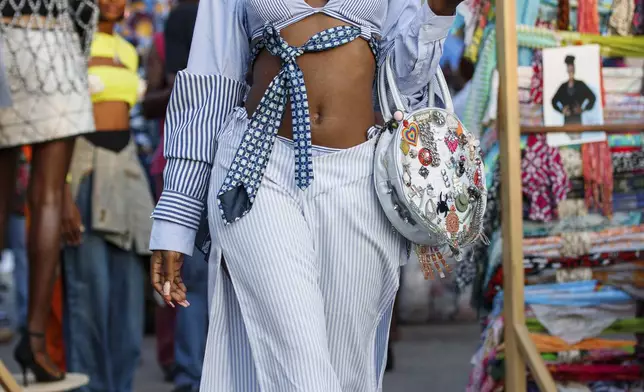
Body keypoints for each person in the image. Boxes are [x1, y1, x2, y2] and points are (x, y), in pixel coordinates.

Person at [150, 0, 460, 390]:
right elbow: (210, 80)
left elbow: (403, 81)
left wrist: (439, 9)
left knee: (345, 372)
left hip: (360, 178)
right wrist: (175, 217)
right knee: (304, 373)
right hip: (258, 173)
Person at [0, 0, 97, 383]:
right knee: (49, 197)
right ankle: (35, 341)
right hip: (53, 39)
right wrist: (79, 51)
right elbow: (84, 8)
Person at [59, 0, 153, 390]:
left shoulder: (130, 51)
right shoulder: (71, 43)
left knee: (128, 308)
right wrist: (63, 192)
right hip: (84, 168)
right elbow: (61, 120)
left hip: (128, 170)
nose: (112, 1)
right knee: (88, 302)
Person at [145, 2, 209, 390]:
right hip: (199, 155)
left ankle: (193, 375)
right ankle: (191, 375)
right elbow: (180, 92)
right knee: (196, 280)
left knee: (196, 279)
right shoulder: (189, 15)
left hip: (198, 155)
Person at [551, 55, 597, 125]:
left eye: (572, 66)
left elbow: (592, 97)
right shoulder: (563, 87)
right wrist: (562, 111)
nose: (571, 69)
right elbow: (553, 101)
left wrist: (583, 109)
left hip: (578, 120)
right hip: (567, 121)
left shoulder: (580, 84)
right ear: (567, 69)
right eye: (569, 66)